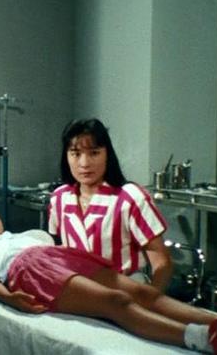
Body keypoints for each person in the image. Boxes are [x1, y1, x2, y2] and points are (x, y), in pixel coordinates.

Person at [0, 201, 217, 355]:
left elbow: (59, 249)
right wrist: (8, 297)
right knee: (116, 301)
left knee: (143, 292)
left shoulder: (28, 235)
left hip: (61, 257)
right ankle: (206, 339)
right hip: (30, 269)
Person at [48, 118, 173, 291]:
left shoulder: (130, 198)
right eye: (75, 153)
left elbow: (162, 263)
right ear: (66, 156)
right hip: (79, 291)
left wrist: (148, 299)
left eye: (94, 153)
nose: (84, 163)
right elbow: (59, 250)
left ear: (107, 154)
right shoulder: (60, 197)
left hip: (126, 290)